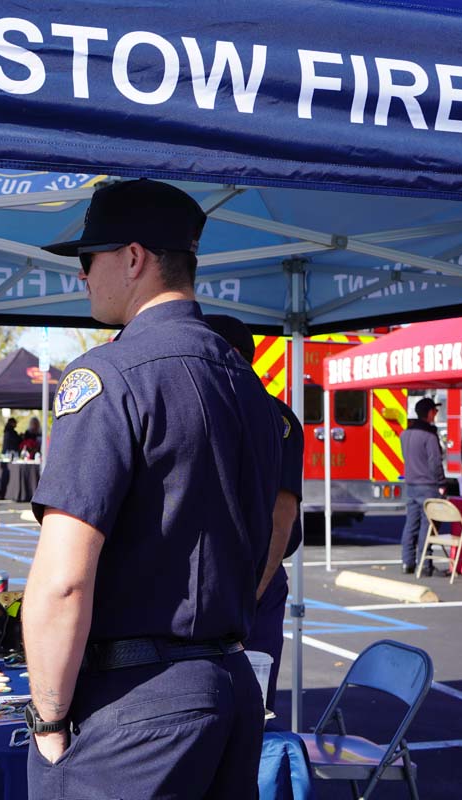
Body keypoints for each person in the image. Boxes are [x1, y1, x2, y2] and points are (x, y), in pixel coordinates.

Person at [22, 179, 281, 799]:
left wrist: (48, 721)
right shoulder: (249, 385)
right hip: (229, 685)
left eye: (90, 258)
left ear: (133, 257)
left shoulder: (109, 375)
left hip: (138, 704)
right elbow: (273, 531)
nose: (83, 275)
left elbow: (63, 580)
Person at [205, 314, 303, 717]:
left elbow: (281, 519)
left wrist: (250, 597)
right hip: (208, 582)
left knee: (251, 711)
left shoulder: (274, 418)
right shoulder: (206, 407)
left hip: (252, 581)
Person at [399, 397, 446, 576]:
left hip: (411, 483)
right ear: (429, 413)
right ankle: (425, 564)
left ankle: (407, 561)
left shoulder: (405, 434)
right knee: (428, 525)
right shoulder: (429, 435)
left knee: (411, 524)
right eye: (435, 411)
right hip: (428, 485)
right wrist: (441, 483)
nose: (436, 414)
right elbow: (435, 462)